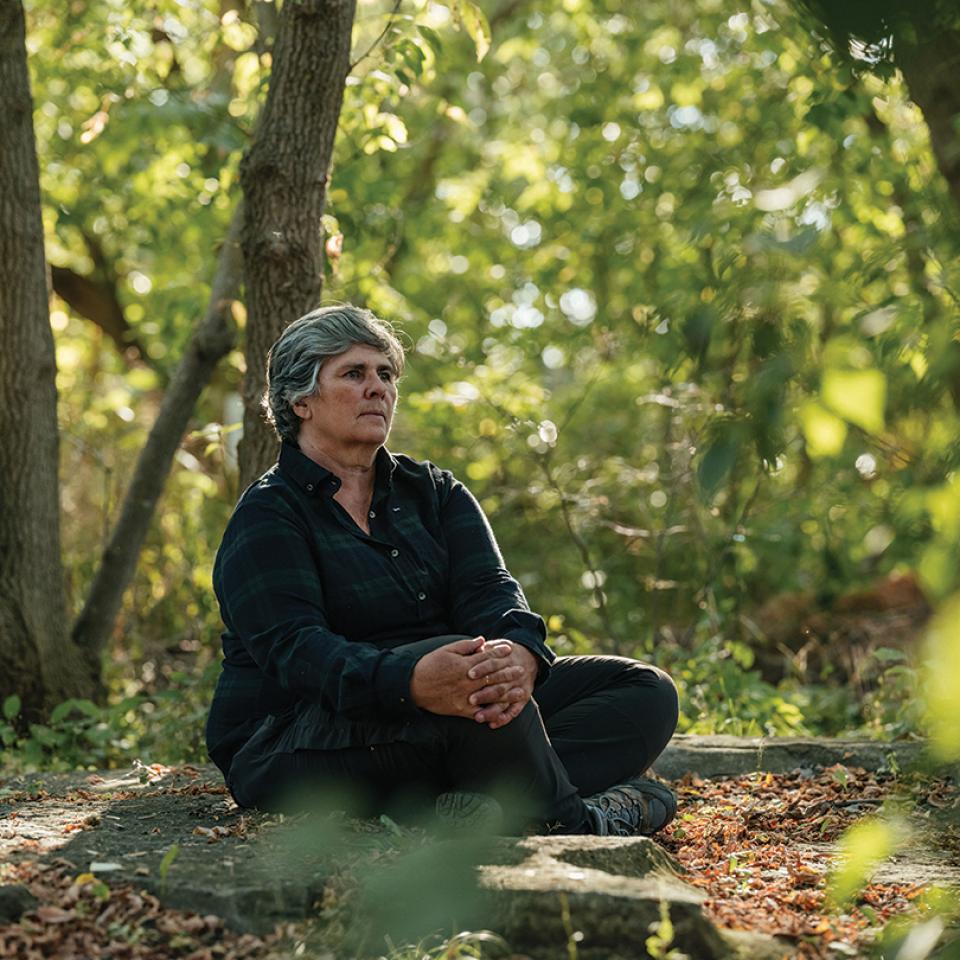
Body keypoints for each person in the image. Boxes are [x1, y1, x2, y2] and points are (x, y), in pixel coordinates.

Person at [205, 304, 679, 836]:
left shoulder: (433, 491)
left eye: (385, 374)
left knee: (643, 690)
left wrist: (519, 654)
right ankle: (585, 821)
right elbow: (297, 653)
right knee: (478, 705)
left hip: (443, 709)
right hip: (296, 737)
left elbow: (492, 591)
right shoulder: (269, 514)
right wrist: (409, 681)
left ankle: (472, 804)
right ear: (301, 401)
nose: (377, 388)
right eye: (354, 374)